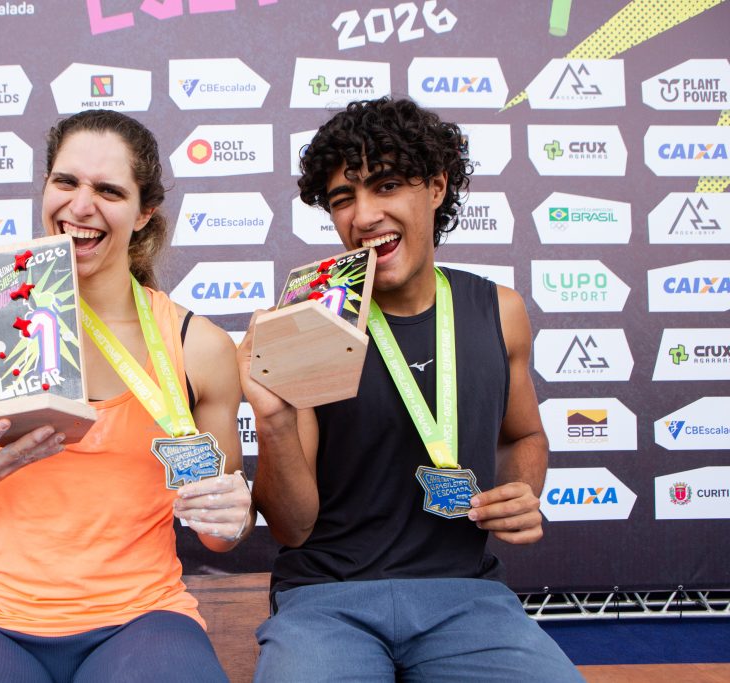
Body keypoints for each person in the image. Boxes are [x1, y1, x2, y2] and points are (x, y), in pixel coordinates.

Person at [0, 109, 253, 683]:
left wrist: (232, 517)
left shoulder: (196, 346)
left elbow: (217, 533)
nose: (81, 206)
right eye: (66, 182)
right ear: (45, 188)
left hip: (144, 620)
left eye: (108, 190)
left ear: (144, 211)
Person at [238, 97, 582, 681]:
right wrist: (272, 422)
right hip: (328, 601)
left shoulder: (501, 311)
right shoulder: (308, 321)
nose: (364, 215)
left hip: (466, 599)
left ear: (437, 186)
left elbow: (524, 435)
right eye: (343, 198)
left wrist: (523, 490)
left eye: (387, 185)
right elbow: (293, 529)